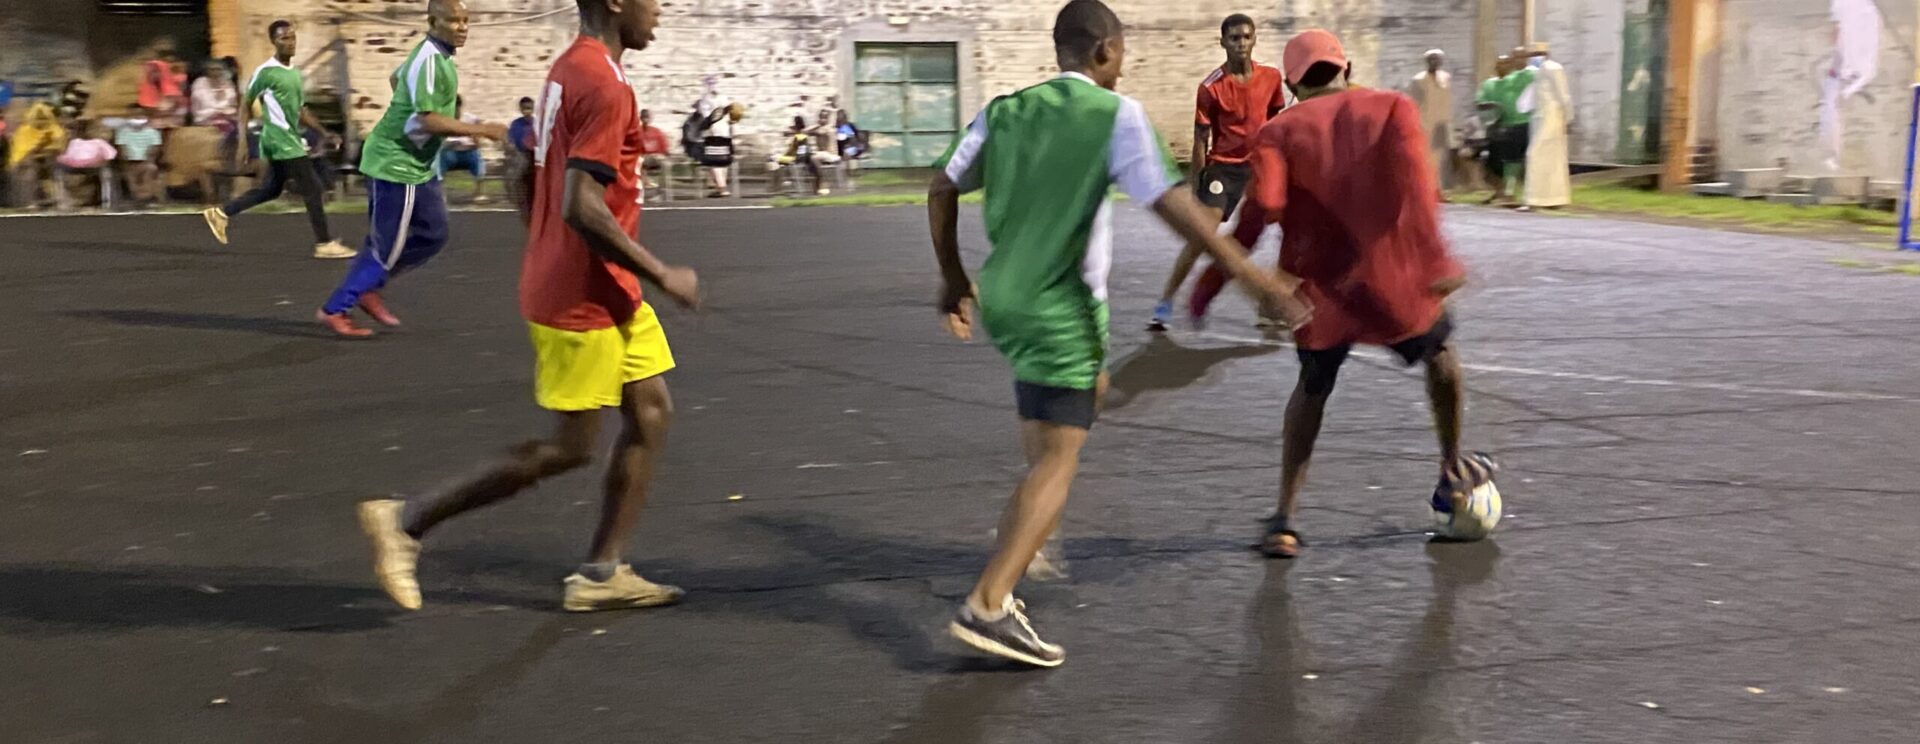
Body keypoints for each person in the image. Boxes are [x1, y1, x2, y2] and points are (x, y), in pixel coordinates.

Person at [928, 0, 1307, 667]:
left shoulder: (1006, 109)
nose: (1124, 63)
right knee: (1059, 459)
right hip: (1059, 306)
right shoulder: (1115, 116)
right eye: (1124, 52)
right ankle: (990, 601)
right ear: (1106, 50)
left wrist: (952, 278)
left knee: (1071, 411)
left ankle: (1025, 541)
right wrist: (1254, 278)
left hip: (1005, 299)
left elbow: (941, 186)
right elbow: (1178, 211)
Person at [358, 0, 701, 614]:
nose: (661, 10)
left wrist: (544, 241)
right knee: (569, 448)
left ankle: (601, 575)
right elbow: (582, 205)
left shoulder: (569, 68)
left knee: (650, 414)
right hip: (584, 295)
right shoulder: (602, 81)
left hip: (604, 284)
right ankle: (407, 521)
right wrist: (663, 273)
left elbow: (523, 165)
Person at [1225, 29, 1496, 560]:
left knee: (1312, 388)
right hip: (1391, 280)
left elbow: (1264, 207)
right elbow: (1419, 188)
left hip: (1321, 289)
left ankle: (1284, 519)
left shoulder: (1280, 129)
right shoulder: (1391, 106)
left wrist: (1220, 282)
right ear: (1345, 67)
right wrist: (1436, 259)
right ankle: (1452, 466)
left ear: (1290, 83)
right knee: (1440, 355)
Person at [315, 0, 506, 338]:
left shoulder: (436, 57)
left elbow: (396, 77)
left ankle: (370, 285)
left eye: (466, 20)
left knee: (434, 233)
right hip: (395, 164)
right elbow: (429, 120)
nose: (462, 27)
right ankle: (335, 308)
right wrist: (483, 129)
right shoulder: (430, 60)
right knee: (385, 246)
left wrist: (403, 104)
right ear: (433, 21)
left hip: (420, 165)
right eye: (453, 21)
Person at [1146, 13, 1288, 332]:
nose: (1241, 43)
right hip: (1223, 170)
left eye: (1247, 37)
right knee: (1201, 237)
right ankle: (1165, 303)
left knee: (1291, 230)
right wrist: (1198, 186)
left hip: (1259, 168)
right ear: (1223, 42)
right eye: (1234, 38)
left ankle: (1270, 306)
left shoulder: (1271, 77)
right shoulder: (1210, 87)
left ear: (1254, 40)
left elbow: (1277, 125)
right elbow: (1200, 140)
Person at [201, 20, 354, 259]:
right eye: (284, 38)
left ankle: (221, 214)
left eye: (292, 37)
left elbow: (301, 111)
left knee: (271, 189)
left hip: (289, 137)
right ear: (274, 41)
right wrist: (242, 141)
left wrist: (324, 132)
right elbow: (245, 105)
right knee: (313, 188)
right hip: (279, 139)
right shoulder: (265, 72)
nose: (290, 42)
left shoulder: (293, 74)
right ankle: (324, 243)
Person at [1519, 43, 1572, 211]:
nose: (1533, 57)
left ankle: (1534, 200)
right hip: (1539, 118)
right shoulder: (1537, 72)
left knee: (1535, 155)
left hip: (1552, 118)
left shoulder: (1553, 68)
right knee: (1549, 159)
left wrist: (1568, 118)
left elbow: (1563, 95)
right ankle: (1551, 199)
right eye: (1532, 54)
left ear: (1545, 54)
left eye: (1537, 54)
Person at [1409, 49, 1453, 197]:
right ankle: (1425, 190)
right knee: (1426, 157)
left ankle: (1438, 189)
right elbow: (1413, 103)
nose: (1435, 62)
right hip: (1425, 123)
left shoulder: (1445, 78)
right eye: (1432, 59)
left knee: (1440, 157)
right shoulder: (1418, 80)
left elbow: (1447, 99)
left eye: (1437, 59)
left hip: (1442, 122)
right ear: (1427, 61)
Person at [7, 102, 65, 208]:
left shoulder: (55, 129)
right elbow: (21, 152)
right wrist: (38, 149)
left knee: (49, 165)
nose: (41, 122)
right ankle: (31, 201)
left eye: (44, 119)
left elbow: (59, 147)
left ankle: (54, 197)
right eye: (38, 119)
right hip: (26, 162)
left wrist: (46, 148)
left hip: (49, 160)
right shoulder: (24, 131)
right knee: (30, 170)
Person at [438, 95, 490, 202]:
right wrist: (450, 145)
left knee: (476, 155)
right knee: (439, 158)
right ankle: (440, 192)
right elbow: (439, 143)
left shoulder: (469, 119)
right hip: (449, 153)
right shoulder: (442, 119)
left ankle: (480, 192)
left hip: (467, 152)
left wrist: (470, 144)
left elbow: (478, 142)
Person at [114, 109, 165, 208]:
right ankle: (137, 198)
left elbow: (154, 150)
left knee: (149, 170)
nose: (136, 118)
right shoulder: (122, 132)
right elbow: (122, 150)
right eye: (134, 116)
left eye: (139, 116)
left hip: (147, 162)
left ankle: (145, 198)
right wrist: (127, 161)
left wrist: (146, 161)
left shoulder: (153, 132)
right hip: (129, 163)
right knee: (131, 174)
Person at [699, 102, 741, 197]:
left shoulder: (717, 119)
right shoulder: (726, 124)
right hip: (724, 150)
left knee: (716, 165)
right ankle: (720, 187)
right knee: (721, 165)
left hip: (713, 147)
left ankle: (721, 188)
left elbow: (705, 130)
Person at [190, 60, 240, 133]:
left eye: (218, 69)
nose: (216, 72)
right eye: (212, 69)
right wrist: (217, 111)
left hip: (226, 122)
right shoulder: (199, 83)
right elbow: (197, 110)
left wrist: (225, 112)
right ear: (207, 71)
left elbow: (232, 107)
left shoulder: (228, 84)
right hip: (204, 122)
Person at [638, 108, 670, 189]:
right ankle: (644, 183)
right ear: (640, 118)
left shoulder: (657, 132)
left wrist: (661, 154)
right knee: (639, 161)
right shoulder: (637, 132)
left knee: (665, 164)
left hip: (656, 158)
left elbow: (665, 148)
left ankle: (662, 191)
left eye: (647, 117)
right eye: (644, 117)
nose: (646, 119)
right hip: (642, 158)